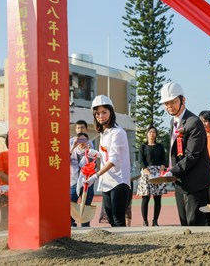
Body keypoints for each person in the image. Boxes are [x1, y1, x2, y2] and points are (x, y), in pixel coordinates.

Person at [160, 82, 210, 226]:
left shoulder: (194, 122)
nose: (169, 106)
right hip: (181, 181)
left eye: (173, 102)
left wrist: (172, 171)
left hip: (196, 182)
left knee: (194, 223)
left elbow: (192, 155)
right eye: (166, 103)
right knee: (184, 222)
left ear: (183, 100)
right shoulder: (173, 122)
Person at [84, 95, 131, 227]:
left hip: (119, 181)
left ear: (111, 112)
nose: (101, 116)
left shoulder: (118, 132)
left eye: (104, 112)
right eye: (97, 113)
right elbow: (107, 155)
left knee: (118, 220)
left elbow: (114, 160)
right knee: (110, 218)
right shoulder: (103, 133)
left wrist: (95, 175)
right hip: (107, 181)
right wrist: (96, 154)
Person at [137, 125, 167, 227]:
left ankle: (155, 221)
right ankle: (145, 221)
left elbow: (164, 160)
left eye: (154, 132)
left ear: (156, 134)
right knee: (145, 198)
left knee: (157, 198)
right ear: (147, 133)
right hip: (146, 173)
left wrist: (161, 169)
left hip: (158, 173)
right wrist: (149, 174)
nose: (152, 134)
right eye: (150, 132)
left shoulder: (160, 146)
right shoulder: (143, 147)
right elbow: (141, 161)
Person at [69, 132, 98, 227]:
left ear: (87, 141)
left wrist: (89, 152)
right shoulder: (73, 151)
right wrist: (73, 145)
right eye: (79, 140)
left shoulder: (91, 152)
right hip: (75, 181)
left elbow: (94, 165)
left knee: (86, 203)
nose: (82, 142)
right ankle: (71, 223)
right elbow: (65, 159)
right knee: (72, 201)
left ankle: (85, 225)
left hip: (87, 182)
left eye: (84, 140)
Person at [0, 134, 9, 231]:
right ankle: (3, 241)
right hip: (6, 193)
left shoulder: (26, 156)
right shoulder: (2, 155)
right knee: (6, 217)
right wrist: (15, 183)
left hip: (23, 192)